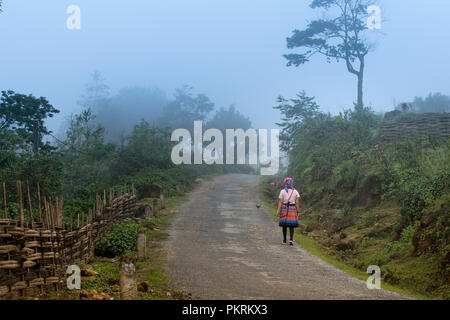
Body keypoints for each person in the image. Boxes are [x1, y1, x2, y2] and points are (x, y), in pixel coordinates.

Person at [276, 177, 300, 246]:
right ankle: (291, 239)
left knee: (284, 225)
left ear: (285, 183)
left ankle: (284, 240)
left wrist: (278, 211)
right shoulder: (295, 191)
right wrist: (298, 210)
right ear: (291, 183)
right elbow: (297, 202)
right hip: (292, 209)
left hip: (284, 208)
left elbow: (280, 202)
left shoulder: (282, 191)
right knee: (291, 225)